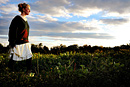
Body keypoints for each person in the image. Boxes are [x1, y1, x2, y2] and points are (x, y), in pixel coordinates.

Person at [8, 3, 32, 73]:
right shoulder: (17, 19)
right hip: (18, 42)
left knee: (29, 57)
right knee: (14, 58)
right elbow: (12, 30)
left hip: (26, 42)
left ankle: (29, 72)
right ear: (24, 9)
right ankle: (10, 71)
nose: (29, 11)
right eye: (28, 9)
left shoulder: (25, 20)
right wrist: (12, 42)